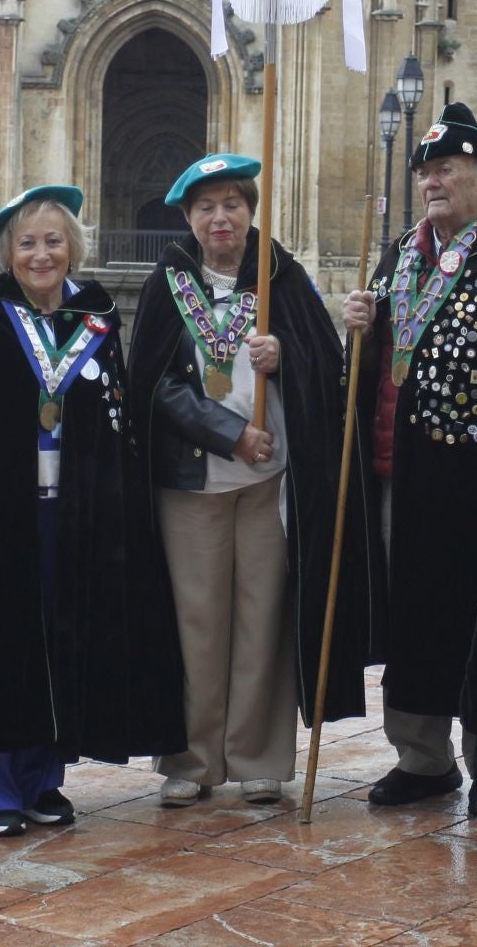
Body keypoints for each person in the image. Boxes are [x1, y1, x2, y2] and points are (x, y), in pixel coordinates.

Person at [0, 186, 185, 837]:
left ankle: (39, 776)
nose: (41, 255)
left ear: (72, 248)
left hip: (74, 511)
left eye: (53, 241)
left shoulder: (96, 318)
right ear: (8, 254)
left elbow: (113, 414)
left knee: (59, 641)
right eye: (27, 243)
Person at [129, 155, 372, 809]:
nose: (221, 218)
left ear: (249, 212)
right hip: (192, 482)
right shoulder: (167, 282)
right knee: (197, 622)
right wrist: (228, 432)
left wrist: (285, 354)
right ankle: (192, 759)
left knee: (263, 618)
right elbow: (152, 384)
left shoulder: (280, 276)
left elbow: (326, 365)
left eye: (232, 205)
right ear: (188, 217)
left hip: (272, 481)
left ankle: (259, 757)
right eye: (207, 207)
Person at [340, 103, 477, 818]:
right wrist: (358, 333)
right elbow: (374, 364)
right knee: (413, 619)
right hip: (399, 474)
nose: (432, 182)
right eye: (425, 171)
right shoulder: (399, 255)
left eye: (447, 169)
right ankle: (422, 759)